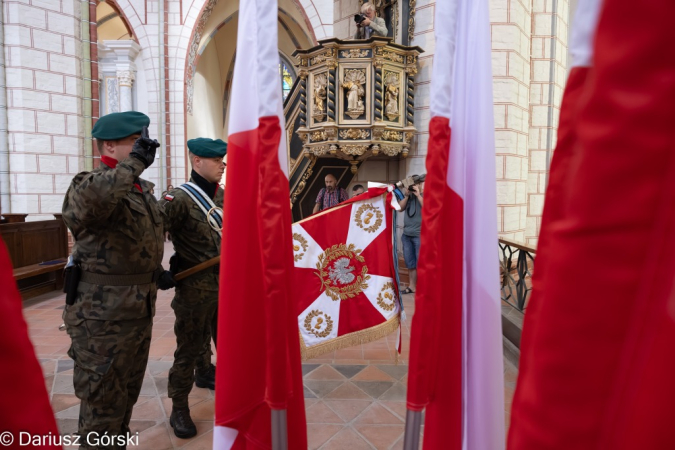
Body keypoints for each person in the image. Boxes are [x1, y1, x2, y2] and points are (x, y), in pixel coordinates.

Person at [61, 111, 163, 448]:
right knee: (102, 402)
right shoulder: (87, 185)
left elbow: (136, 241)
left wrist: (155, 272)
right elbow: (98, 201)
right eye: (134, 142)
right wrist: (133, 164)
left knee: (125, 397)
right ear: (109, 145)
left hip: (136, 311)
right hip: (101, 319)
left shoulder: (140, 190)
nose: (141, 149)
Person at [159, 138, 226, 438]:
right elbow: (150, 233)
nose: (223, 164)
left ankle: (207, 372)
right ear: (197, 161)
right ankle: (180, 408)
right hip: (195, 286)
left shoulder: (222, 196)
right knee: (188, 347)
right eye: (216, 160)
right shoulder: (179, 199)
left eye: (223, 159)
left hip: (226, 283)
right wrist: (157, 270)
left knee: (224, 341)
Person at [398, 182, 423, 293]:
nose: (413, 187)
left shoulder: (424, 195)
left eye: (416, 184)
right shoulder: (408, 197)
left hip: (419, 235)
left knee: (421, 263)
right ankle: (412, 286)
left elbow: (428, 207)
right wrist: (407, 195)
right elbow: (400, 208)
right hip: (407, 235)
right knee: (410, 262)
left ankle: (422, 288)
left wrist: (418, 195)